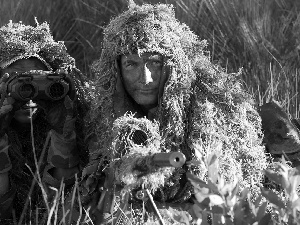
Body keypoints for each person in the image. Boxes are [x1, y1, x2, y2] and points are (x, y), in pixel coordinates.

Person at [80, 3, 268, 224]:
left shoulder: (206, 114)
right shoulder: (103, 114)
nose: (146, 78)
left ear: (173, 65)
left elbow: (220, 206)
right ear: (116, 69)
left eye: (155, 62)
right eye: (131, 64)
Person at [0, 21, 89, 221]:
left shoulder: (71, 124)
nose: (29, 97)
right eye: (18, 84)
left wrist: (63, 134)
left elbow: (60, 210)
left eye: (39, 83)